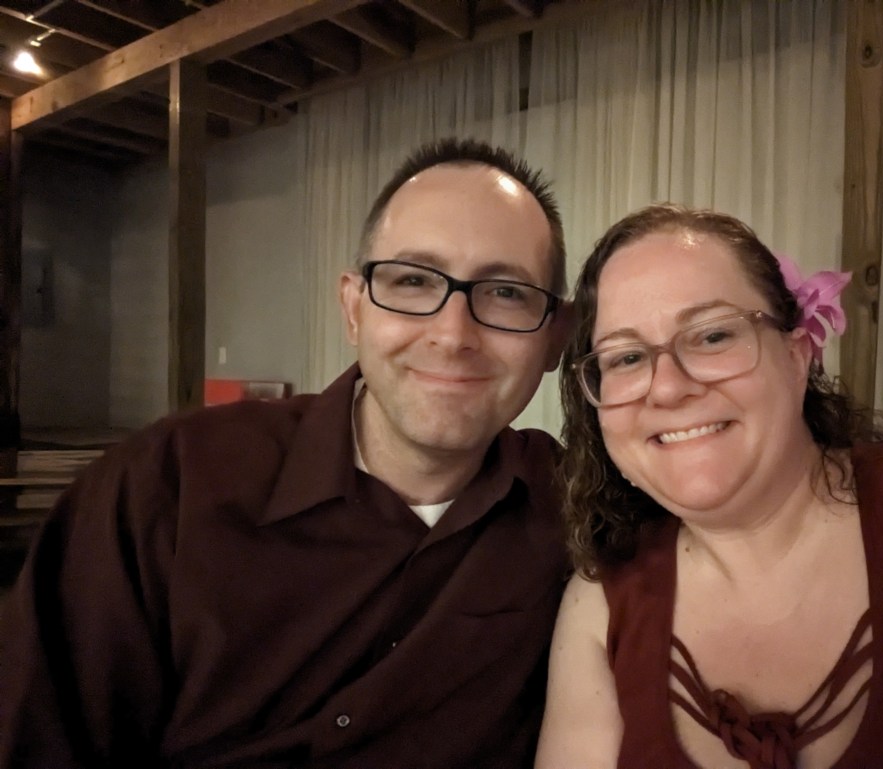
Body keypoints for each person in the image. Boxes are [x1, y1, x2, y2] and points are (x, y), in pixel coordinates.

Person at [0, 138, 573, 768]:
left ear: (555, 339)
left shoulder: (575, 511)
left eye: (506, 293)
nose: (453, 333)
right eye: (412, 281)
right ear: (353, 309)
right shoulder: (166, 488)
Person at [535, 204, 883, 769]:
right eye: (626, 357)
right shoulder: (600, 609)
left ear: (796, 358)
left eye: (713, 335)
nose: (666, 389)